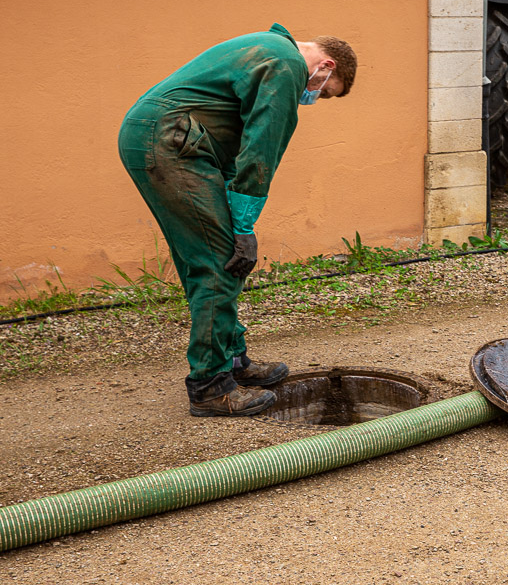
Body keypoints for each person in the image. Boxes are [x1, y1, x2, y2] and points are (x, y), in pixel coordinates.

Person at [118, 23, 357, 417]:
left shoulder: (265, 47)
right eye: (324, 91)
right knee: (220, 260)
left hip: (167, 139)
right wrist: (243, 227)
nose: (313, 96)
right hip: (170, 142)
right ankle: (211, 386)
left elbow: (233, 145)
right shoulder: (286, 65)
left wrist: (235, 216)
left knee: (211, 253)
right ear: (326, 66)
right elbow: (262, 146)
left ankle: (232, 360)